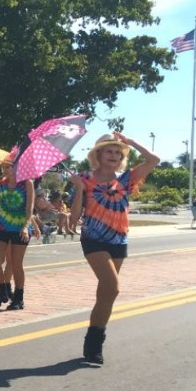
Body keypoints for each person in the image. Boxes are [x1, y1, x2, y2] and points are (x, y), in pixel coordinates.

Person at [69, 132, 159, 364]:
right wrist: (78, 189)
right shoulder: (84, 179)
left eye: (118, 152)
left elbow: (153, 160)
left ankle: (93, 346)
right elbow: (73, 220)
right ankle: (94, 344)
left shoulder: (126, 179)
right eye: (109, 150)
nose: (114, 155)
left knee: (106, 295)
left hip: (118, 240)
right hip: (93, 239)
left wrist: (130, 141)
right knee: (113, 286)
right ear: (98, 154)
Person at [0, 153, 36, 310]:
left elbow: (29, 208)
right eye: (3, 167)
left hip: (19, 227)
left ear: (17, 167)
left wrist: (26, 226)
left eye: (8, 167)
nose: (4, 170)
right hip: (1, 226)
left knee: (16, 263)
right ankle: (2, 291)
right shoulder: (0, 183)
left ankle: (18, 298)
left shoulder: (27, 183)